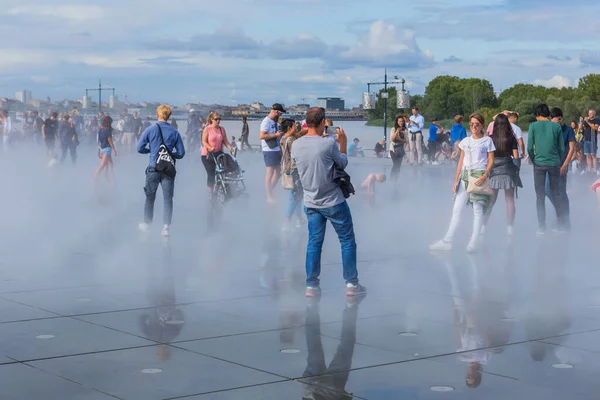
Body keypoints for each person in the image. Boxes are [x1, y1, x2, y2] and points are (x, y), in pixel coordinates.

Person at [291, 107, 365, 298]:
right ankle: (351, 284)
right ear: (323, 121)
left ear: (306, 123)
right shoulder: (328, 144)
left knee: (314, 242)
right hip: (333, 200)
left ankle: (311, 286)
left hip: (310, 201)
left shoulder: (296, 145)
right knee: (347, 240)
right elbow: (342, 163)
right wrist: (343, 142)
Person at [430, 112, 495, 253]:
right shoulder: (466, 141)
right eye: (471, 124)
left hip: (479, 176)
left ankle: (474, 242)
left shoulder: (487, 141)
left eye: (477, 124)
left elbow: (491, 160)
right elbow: (461, 161)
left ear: (482, 125)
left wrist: (485, 175)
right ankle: (447, 241)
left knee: (477, 210)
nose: (474, 127)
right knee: (457, 209)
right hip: (465, 176)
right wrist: (456, 179)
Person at [137, 105, 186, 237]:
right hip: (168, 169)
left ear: (157, 115)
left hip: (153, 167)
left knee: (150, 197)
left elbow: (139, 148)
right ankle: (165, 228)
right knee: (167, 198)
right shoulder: (174, 132)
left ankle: (147, 224)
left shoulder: (150, 129)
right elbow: (181, 153)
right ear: (169, 116)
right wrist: (169, 154)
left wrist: (152, 151)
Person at [527, 104, 565, 235]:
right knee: (556, 194)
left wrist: (534, 159)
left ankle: (541, 227)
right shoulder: (556, 126)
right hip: (554, 163)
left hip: (539, 164)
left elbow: (529, 148)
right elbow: (561, 148)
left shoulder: (532, 126)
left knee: (540, 196)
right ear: (548, 114)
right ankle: (561, 224)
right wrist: (558, 161)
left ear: (537, 115)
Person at [481, 114, 521, 236]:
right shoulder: (511, 138)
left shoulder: (490, 138)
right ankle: (510, 228)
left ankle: (483, 225)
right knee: (509, 200)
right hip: (508, 169)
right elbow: (515, 157)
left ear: (496, 125)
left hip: (494, 171)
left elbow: (487, 157)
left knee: (491, 200)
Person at [545, 107, 576, 229]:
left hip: (562, 164)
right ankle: (560, 214)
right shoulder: (551, 129)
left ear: (560, 118)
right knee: (548, 190)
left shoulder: (568, 130)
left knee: (561, 192)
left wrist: (565, 164)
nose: (555, 125)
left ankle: (566, 220)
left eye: (556, 122)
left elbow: (572, 148)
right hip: (550, 164)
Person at [280, 118, 308, 231]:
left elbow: (299, 134)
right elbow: (297, 154)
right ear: (289, 128)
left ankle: (299, 219)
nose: (296, 127)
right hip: (294, 170)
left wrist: (307, 130)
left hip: (287, 169)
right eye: (294, 126)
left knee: (296, 195)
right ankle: (287, 222)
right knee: (295, 196)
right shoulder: (291, 140)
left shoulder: (283, 138)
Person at [201, 111, 233, 194]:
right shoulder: (207, 129)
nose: (218, 120)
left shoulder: (221, 129)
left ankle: (217, 188)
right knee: (211, 173)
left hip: (219, 153)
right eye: (216, 119)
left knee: (222, 172)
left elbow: (225, 141)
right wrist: (210, 147)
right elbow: (204, 141)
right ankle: (210, 193)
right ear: (211, 119)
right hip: (208, 155)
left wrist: (230, 147)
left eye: (219, 119)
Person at [260, 104, 285, 204]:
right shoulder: (266, 121)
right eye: (279, 113)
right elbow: (262, 136)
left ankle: (269, 191)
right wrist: (275, 135)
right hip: (269, 149)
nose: (280, 115)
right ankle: (269, 195)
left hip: (276, 148)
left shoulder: (275, 121)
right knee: (269, 173)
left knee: (279, 172)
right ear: (276, 111)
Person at [94, 116, 117, 182]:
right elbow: (109, 139)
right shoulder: (108, 130)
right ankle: (95, 177)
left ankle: (110, 179)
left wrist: (99, 149)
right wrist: (114, 149)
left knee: (110, 165)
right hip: (107, 148)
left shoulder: (100, 130)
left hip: (102, 148)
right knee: (102, 165)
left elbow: (99, 141)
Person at [579, 109, 600, 175]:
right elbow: (580, 129)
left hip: (593, 140)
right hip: (586, 139)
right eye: (589, 113)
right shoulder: (586, 121)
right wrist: (581, 122)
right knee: (587, 155)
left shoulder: (596, 120)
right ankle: (589, 170)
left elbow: (595, 128)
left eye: (591, 113)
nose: (590, 114)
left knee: (593, 155)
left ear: (594, 114)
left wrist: (588, 122)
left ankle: (595, 170)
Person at [390, 115, 407, 181]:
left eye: (402, 121)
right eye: (400, 121)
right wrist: (397, 132)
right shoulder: (393, 129)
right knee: (396, 165)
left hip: (401, 149)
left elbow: (407, 140)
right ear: (397, 122)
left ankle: (396, 180)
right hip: (393, 149)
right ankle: (392, 179)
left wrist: (400, 139)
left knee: (398, 166)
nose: (401, 123)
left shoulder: (405, 130)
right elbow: (392, 139)